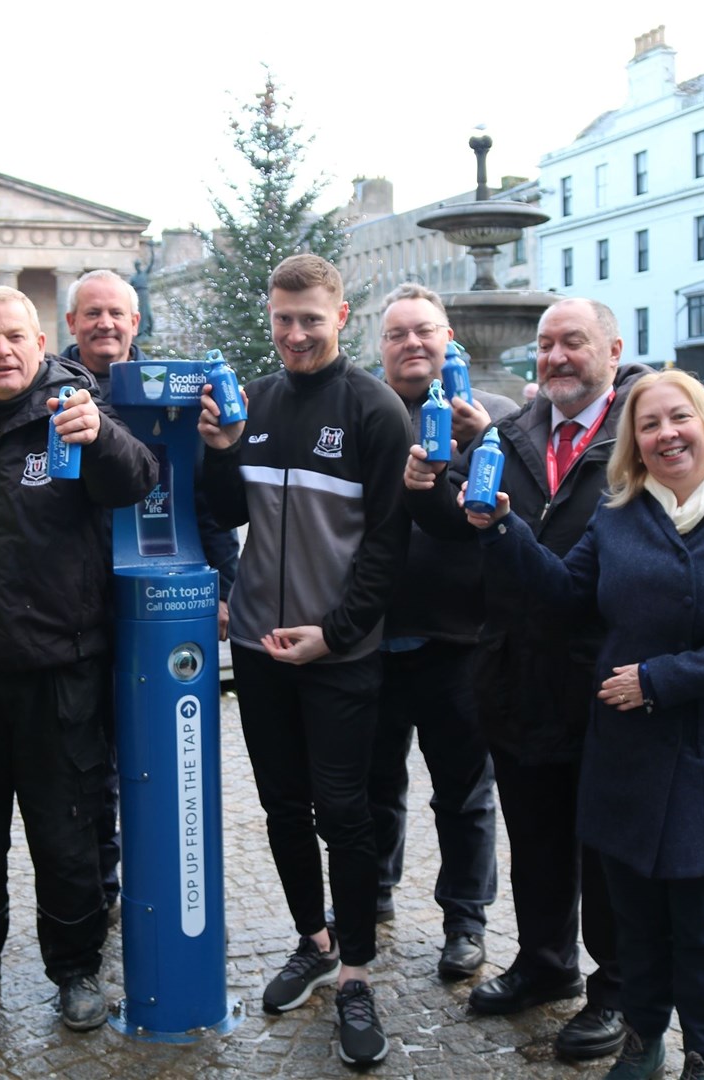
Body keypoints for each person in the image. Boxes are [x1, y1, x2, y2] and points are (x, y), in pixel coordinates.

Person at [464, 369, 704, 1080]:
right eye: (648, 426)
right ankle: (643, 1043)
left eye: (679, 418)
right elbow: (561, 596)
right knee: (636, 919)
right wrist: (502, 528)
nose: (665, 433)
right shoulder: (618, 519)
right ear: (633, 443)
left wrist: (656, 680)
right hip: (626, 757)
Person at [403, 297, 649, 1063]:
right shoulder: (513, 434)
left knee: (607, 849)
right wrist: (425, 488)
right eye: (545, 347)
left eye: (572, 343)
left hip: (607, 677)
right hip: (516, 671)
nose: (556, 358)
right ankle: (546, 963)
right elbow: (471, 527)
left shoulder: (640, 430)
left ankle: (617, 989)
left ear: (612, 346)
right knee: (535, 834)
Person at [0, 287, 158, 1040]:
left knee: (67, 834)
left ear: (41, 340)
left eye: (16, 337)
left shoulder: (75, 406)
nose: (2, 351)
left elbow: (138, 481)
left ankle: (75, 970)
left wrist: (105, 440)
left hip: (61, 670)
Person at [198, 254, 410, 1069]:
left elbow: (389, 546)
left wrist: (336, 630)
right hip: (256, 645)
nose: (294, 335)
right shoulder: (255, 401)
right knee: (283, 807)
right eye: (283, 320)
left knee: (343, 813)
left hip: (340, 650)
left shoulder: (375, 411)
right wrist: (220, 450)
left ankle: (356, 971)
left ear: (341, 316)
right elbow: (224, 513)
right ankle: (313, 940)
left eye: (310, 320)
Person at [62, 268, 241, 913]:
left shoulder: (174, 393)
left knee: (164, 741)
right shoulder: (50, 388)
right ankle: (106, 886)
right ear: (72, 324)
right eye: (92, 314)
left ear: (136, 323)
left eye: (117, 313)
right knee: (90, 758)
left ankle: (171, 876)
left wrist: (224, 586)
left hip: (161, 595)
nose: (105, 324)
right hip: (79, 601)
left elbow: (203, 498)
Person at [369, 283, 508, 981]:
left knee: (462, 790)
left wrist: (481, 439)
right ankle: (373, 894)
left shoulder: (499, 416)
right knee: (373, 784)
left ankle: (465, 920)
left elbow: (524, 520)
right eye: (398, 334)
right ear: (380, 345)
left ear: (448, 336)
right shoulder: (364, 412)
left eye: (424, 331)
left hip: (460, 639)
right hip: (370, 635)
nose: (412, 344)